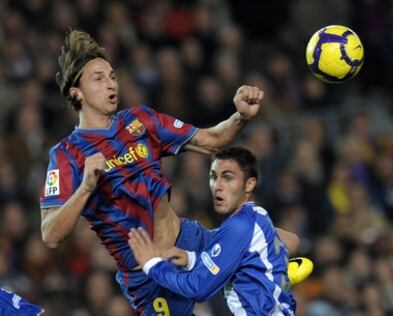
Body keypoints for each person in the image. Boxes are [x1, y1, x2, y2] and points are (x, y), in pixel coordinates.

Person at [39, 30, 267, 315]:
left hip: (187, 240)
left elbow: (212, 141)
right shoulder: (65, 156)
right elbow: (50, 234)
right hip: (148, 277)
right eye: (99, 78)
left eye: (112, 76)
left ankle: (267, 272)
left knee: (274, 239)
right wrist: (85, 188)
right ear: (77, 92)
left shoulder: (141, 120)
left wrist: (241, 115)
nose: (111, 84)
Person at [129, 147, 296, 315]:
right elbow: (234, 265)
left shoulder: (240, 226)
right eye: (213, 177)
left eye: (228, 178)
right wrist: (192, 259)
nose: (218, 186)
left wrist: (152, 264)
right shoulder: (257, 216)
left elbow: (198, 288)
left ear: (249, 184)